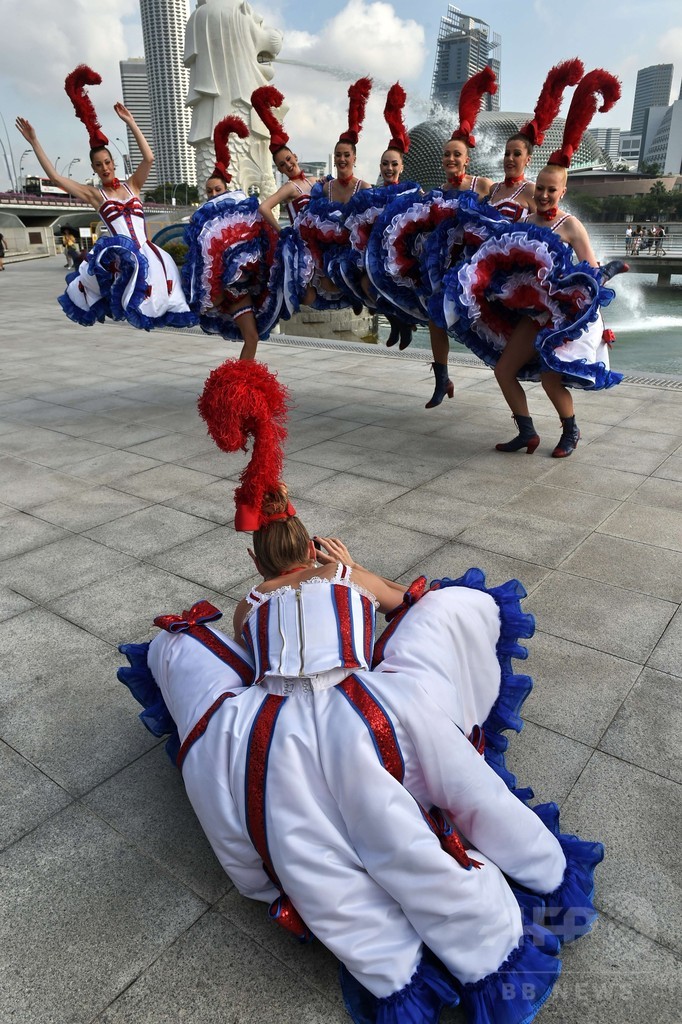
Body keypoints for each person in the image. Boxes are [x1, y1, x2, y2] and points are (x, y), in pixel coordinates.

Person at [119, 359, 603, 1024]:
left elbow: (250, 649)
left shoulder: (249, 602)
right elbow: (403, 602)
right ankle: (537, 883)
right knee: (458, 786)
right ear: (312, 543)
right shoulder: (346, 575)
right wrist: (347, 571)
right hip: (369, 708)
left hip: (279, 725)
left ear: (255, 562)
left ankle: (392, 958)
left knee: (311, 831)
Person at [442, 70, 624, 458]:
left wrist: (603, 307)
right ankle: (526, 431)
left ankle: (570, 432)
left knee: (549, 378)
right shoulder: (523, 222)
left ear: (563, 190)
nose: (543, 195)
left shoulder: (570, 225)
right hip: (529, 315)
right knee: (504, 370)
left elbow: (590, 275)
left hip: (560, 320)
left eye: (550, 190)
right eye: (539, 189)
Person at [16, 65, 195, 330]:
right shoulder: (95, 195)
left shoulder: (133, 185)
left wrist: (131, 123)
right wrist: (34, 142)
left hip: (150, 254)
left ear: (113, 162)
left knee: (162, 303)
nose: (105, 168)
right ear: (94, 169)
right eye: (99, 165)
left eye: (107, 162)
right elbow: (55, 178)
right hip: (123, 257)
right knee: (133, 302)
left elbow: (149, 158)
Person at [182, 115, 281, 360]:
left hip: (245, 288)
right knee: (195, 312)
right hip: (222, 292)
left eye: (218, 190)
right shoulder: (200, 222)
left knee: (252, 337)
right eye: (209, 191)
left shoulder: (244, 211)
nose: (214, 194)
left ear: (227, 189)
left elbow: (262, 234)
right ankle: (240, 385)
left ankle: (242, 384)